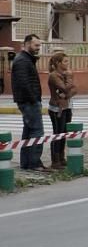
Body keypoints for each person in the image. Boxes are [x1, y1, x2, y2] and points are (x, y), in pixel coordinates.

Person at [12, 34, 47, 171]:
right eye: (36, 45)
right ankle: (34, 163)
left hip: (28, 100)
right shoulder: (22, 61)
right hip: (28, 101)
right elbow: (23, 83)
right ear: (27, 44)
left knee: (28, 132)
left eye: (39, 45)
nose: (38, 48)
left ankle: (26, 163)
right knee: (37, 131)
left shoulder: (26, 59)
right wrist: (33, 99)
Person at [47, 52, 76, 170]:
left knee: (64, 133)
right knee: (57, 134)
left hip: (67, 106)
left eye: (68, 61)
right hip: (57, 108)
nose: (68, 64)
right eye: (65, 61)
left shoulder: (64, 74)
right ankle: (55, 160)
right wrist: (69, 78)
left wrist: (67, 93)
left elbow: (74, 90)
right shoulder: (54, 75)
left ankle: (62, 158)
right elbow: (64, 88)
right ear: (58, 63)